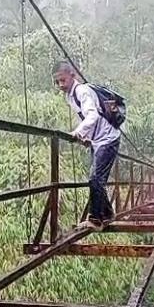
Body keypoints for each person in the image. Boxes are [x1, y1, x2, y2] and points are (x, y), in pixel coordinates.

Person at [53, 61, 121, 230]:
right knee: (97, 179)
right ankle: (107, 214)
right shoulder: (70, 95)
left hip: (107, 139)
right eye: (57, 82)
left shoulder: (82, 91)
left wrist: (78, 132)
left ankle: (95, 219)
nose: (61, 85)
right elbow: (89, 117)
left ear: (72, 76)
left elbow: (93, 117)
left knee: (95, 179)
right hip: (98, 139)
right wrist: (86, 136)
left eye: (63, 80)